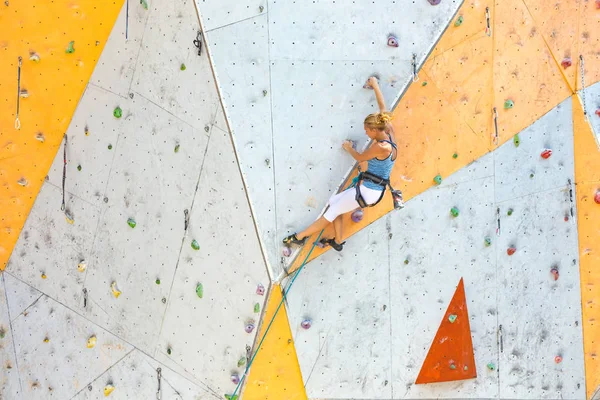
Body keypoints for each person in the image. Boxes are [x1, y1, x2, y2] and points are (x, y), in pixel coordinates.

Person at [283, 77, 397, 252]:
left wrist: (348, 147)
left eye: (367, 130)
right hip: (372, 189)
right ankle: (338, 240)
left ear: (375, 130)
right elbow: (383, 109)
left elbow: (360, 158)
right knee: (334, 202)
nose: (366, 132)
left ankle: (299, 237)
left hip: (369, 191)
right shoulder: (387, 131)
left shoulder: (382, 148)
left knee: (331, 212)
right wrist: (375, 85)